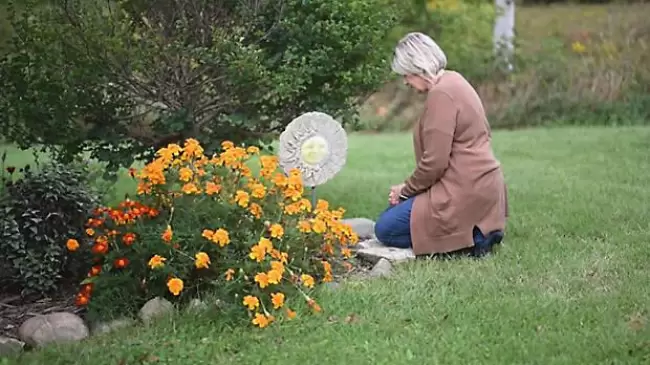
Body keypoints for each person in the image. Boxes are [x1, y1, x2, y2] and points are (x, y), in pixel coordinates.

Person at [374, 32, 509, 257]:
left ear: (418, 66)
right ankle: (480, 231)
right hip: (481, 187)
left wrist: (405, 191)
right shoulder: (456, 80)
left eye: (406, 74)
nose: (405, 81)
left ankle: (471, 239)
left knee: (385, 229)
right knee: (394, 212)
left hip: (464, 190)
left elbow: (435, 163)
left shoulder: (441, 94)